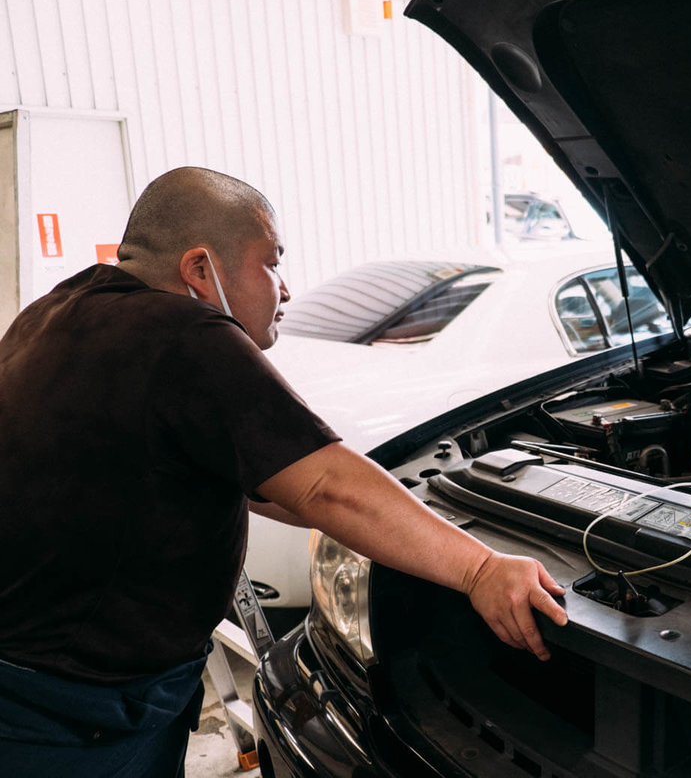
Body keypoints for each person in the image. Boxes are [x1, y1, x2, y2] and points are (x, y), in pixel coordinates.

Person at [0, 166, 569, 777]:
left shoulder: (57, 311)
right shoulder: (185, 333)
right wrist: (479, 567)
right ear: (199, 269)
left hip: (37, 678)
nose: (287, 289)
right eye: (272, 262)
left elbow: (269, 479)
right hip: (76, 710)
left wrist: (410, 523)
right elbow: (326, 487)